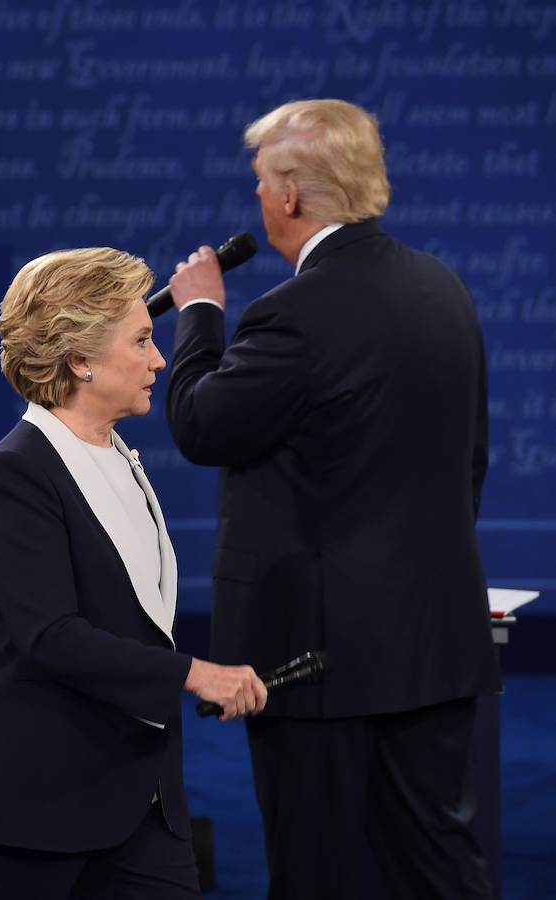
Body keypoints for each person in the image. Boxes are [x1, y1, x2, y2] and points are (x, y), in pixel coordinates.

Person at [165, 100, 502, 900]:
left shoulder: (293, 314)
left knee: (314, 873)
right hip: (433, 647)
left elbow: (200, 424)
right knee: (439, 870)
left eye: (258, 184)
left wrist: (202, 312)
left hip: (317, 666)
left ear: (287, 198)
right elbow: (471, 464)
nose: (257, 201)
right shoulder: (442, 289)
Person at [0, 246, 267, 900]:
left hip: (141, 795)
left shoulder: (120, 460)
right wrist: (195, 673)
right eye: (140, 341)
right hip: (29, 802)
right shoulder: (18, 471)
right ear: (79, 359)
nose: (159, 360)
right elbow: (50, 634)